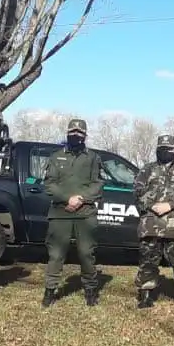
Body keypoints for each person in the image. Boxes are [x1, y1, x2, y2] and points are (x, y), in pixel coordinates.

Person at [41, 118, 104, 308]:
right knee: (56, 255)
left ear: (85, 135)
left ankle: (91, 292)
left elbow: (98, 184)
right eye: (73, 132)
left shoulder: (93, 158)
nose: (76, 135)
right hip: (60, 212)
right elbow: (49, 184)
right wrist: (68, 198)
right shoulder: (55, 157)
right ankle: (50, 291)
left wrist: (81, 199)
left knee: (86, 254)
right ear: (67, 133)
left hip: (85, 214)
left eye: (80, 133)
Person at [133, 134, 174, 310]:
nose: (165, 152)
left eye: (168, 149)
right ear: (157, 150)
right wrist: (152, 204)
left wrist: (170, 205)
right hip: (151, 224)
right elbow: (137, 192)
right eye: (162, 149)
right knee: (148, 261)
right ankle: (146, 295)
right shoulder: (147, 170)